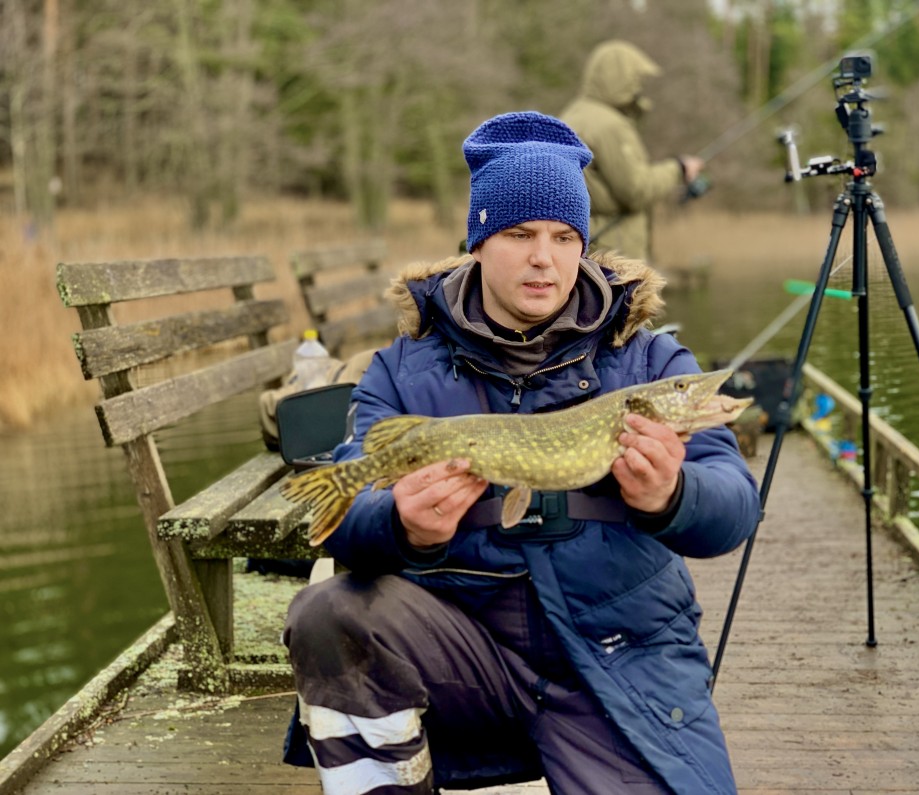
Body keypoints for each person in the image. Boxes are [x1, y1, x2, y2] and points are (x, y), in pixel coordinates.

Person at [282, 110, 759, 794]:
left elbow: (736, 506)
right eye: (520, 233)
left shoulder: (648, 360)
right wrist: (399, 524)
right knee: (328, 614)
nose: (545, 257)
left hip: (618, 661)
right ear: (477, 242)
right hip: (463, 653)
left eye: (566, 236)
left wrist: (671, 495)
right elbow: (348, 505)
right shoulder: (401, 371)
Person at [560, 39, 705, 262]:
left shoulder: (570, 116)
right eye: (635, 79)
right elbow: (635, 191)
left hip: (581, 247)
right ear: (620, 78)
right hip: (613, 255)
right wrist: (678, 168)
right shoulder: (610, 126)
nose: (638, 87)